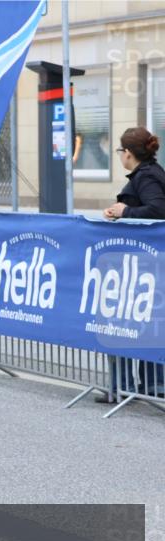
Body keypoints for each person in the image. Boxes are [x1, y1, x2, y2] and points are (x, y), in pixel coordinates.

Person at [100, 127, 165, 403]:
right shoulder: (150, 172)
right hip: (142, 264)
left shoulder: (147, 175)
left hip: (140, 266)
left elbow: (158, 210)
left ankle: (127, 388)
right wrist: (120, 212)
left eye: (120, 151)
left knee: (125, 323)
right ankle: (146, 386)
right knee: (141, 324)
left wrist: (125, 211)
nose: (119, 156)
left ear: (127, 153)